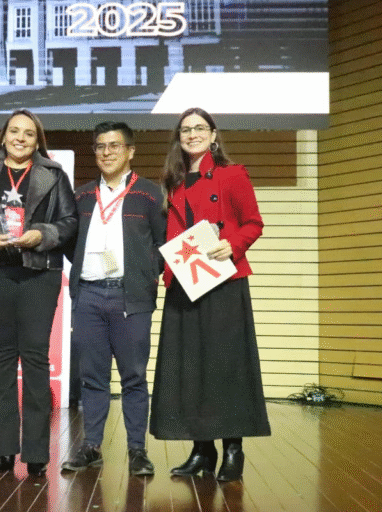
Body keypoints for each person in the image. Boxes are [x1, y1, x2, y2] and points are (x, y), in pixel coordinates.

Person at [149, 108, 271, 482]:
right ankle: (202, 450)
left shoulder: (232, 174)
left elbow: (254, 223)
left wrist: (232, 244)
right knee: (190, 367)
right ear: (178, 137)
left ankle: (233, 450)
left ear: (213, 134)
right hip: (185, 281)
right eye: (186, 129)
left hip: (223, 281)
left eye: (200, 128)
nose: (192, 134)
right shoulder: (172, 181)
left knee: (226, 366)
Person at [0, 109, 77, 477]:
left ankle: (37, 450)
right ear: (4, 134)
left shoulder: (54, 175)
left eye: (28, 133)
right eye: (14, 131)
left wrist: (43, 235)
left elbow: (70, 221)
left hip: (39, 272)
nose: (20, 138)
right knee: (3, 358)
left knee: (36, 358)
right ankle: (5, 448)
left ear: (38, 139)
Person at [61, 122, 166, 476]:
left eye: (114, 146)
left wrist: (145, 274)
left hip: (130, 297)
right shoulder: (81, 196)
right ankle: (91, 446)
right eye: (100, 146)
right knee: (92, 377)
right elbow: (69, 243)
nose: (106, 153)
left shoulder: (150, 194)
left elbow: (163, 243)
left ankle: (137, 450)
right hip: (89, 295)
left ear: (130, 151)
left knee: (134, 376)